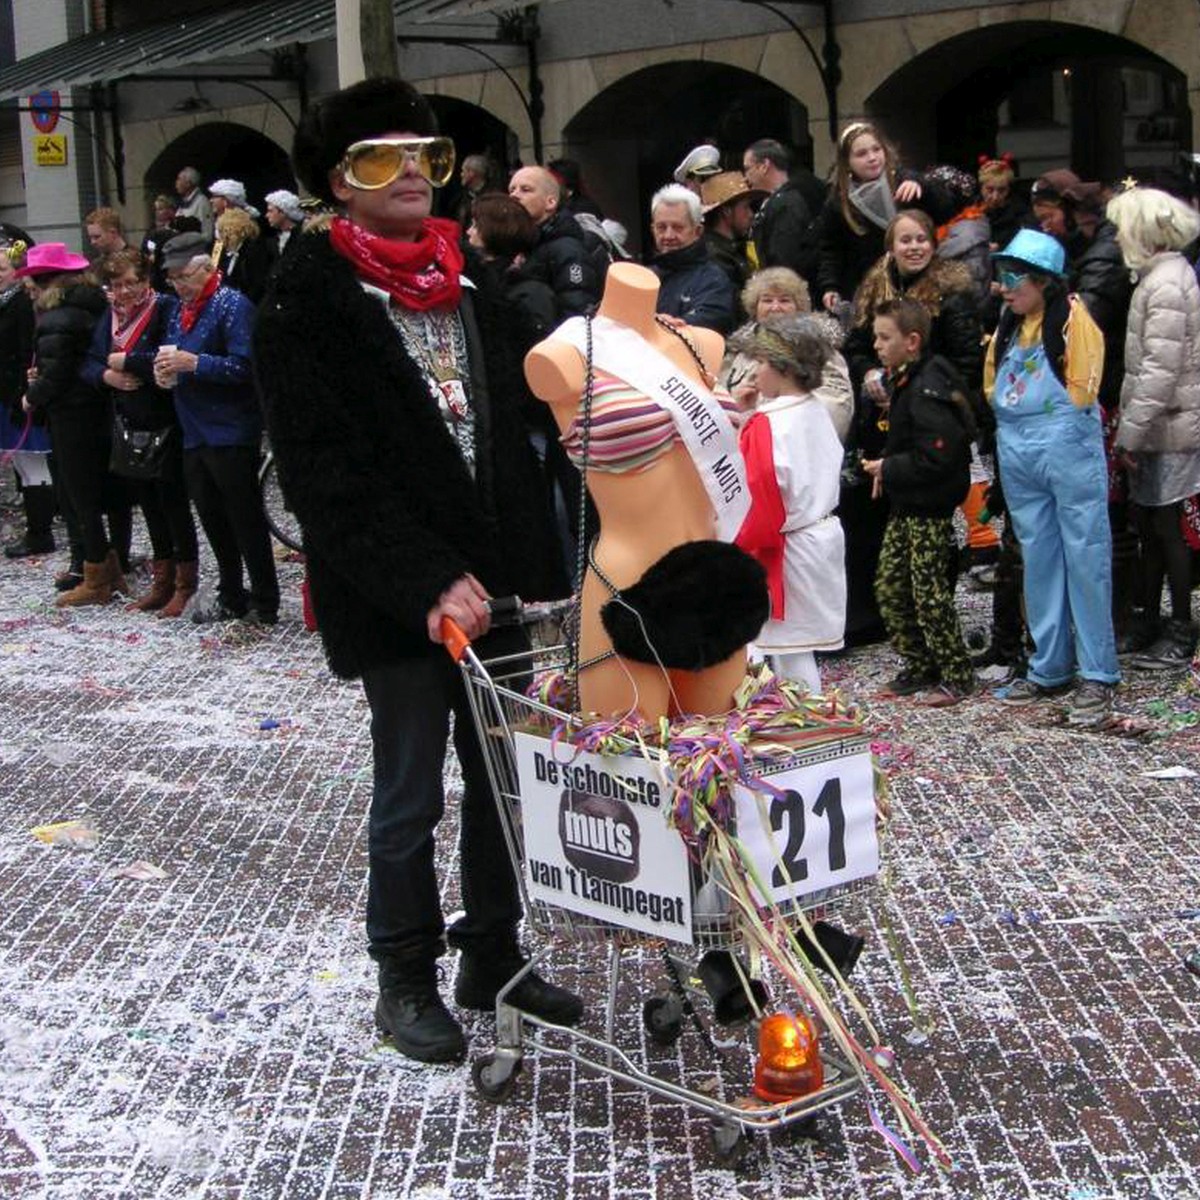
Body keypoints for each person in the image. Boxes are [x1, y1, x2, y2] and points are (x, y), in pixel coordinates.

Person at [252, 77, 581, 1064]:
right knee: (410, 795)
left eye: (424, 159)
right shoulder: (303, 297)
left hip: (500, 588)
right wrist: (427, 577)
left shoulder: (466, 279)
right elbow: (325, 477)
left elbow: (531, 411)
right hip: (398, 600)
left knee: (502, 787)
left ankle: (493, 953)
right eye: (378, 161)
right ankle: (405, 974)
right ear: (336, 184)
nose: (407, 178)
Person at [527, 260, 761, 721]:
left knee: (722, 761)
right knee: (631, 768)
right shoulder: (563, 356)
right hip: (627, 581)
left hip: (712, 579)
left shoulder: (701, 344)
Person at [985, 229, 1119, 726]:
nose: (1005, 285)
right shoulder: (1007, 325)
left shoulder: (1072, 319)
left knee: (1086, 554)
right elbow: (990, 383)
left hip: (1065, 445)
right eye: (1002, 275)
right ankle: (1049, 665)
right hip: (1019, 447)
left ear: (1044, 280)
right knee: (1038, 557)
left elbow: (1084, 388)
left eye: (1014, 275)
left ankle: (1098, 672)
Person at [843, 209, 984, 646]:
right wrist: (870, 372)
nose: (914, 246)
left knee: (925, 526)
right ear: (891, 246)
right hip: (881, 418)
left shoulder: (952, 293)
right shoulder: (873, 289)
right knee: (874, 520)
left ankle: (935, 632)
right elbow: (857, 347)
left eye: (922, 237)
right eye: (905, 239)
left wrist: (917, 387)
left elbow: (964, 363)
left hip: (927, 416)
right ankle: (879, 616)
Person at [154, 231, 279, 626]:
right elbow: (173, 352)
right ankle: (231, 591)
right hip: (194, 429)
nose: (178, 286)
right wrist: (164, 373)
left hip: (231, 429)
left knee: (244, 516)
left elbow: (247, 368)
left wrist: (196, 364)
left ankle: (264, 597)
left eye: (183, 278)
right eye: (172, 279)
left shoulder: (232, 305)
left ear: (206, 269)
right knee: (211, 515)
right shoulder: (178, 309)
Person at [861, 298, 975, 707]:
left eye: (884, 337)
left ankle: (956, 673)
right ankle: (920, 663)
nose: (876, 345)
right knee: (890, 587)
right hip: (907, 505)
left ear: (912, 341)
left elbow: (938, 455)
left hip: (928, 508)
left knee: (929, 594)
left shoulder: (928, 385)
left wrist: (887, 468)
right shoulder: (907, 378)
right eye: (875, 336)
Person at [1106, 187, 1200, 669]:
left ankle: (1179, 624)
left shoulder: (1164, 285)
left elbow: (1159, 373)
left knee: (1168, 527)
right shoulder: (1159, 278)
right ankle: (1151, 617)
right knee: (1151, 524)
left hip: (1170, 427)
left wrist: (1130, 434)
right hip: (1160, 425)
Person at [732, 317, 846, 693]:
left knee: (787, 650)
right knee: (793, 649)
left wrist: (736, 547)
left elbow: (761, 496)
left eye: (761, 362)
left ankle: (805, 728)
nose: (754, 371)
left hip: (785, 547)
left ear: (782, 368)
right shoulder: (813, 408)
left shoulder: (769, 423)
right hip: (820, 533)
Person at [82, 248, 198, 616]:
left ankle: (184, 582)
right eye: (118, 285)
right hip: (130, 423)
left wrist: (127, 361)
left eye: (132, 282)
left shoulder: (162, 309)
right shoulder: (111, 317)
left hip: (165, 419)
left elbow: (168, 355)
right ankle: (161, 582)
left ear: (146, 281)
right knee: (148, 504)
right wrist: (106, 375)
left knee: (173, 503)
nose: (125, 291)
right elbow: (89, 361)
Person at [16, 244, 118, 606]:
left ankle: (95, 573)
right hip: (91, 405)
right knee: (91, 491)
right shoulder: (90, 303)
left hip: (71, 411)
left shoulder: (60, 314)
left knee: (79, 495)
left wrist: (33, 394)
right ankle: (102, 563)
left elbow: (59, 371)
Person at [815, 121, 944, 317]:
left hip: (918, 283)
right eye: (861, 154)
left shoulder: (905, 181)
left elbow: (946, 210)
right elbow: (831, 249)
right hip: (867, 288)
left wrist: (924, 187)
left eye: (877, 149)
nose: (872, 158)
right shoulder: (838, 202)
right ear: (846, 161)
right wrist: (830, 285)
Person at [723, 267, 853, 443]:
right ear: (755, 307)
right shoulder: (738, 354)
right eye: (767, 300)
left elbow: (834, 410)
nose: (775, 307)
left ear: (799, 307)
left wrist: (761, 414)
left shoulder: (819, 351)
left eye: (784, 300)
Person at [0, 237, 48, 559]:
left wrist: (24, 394)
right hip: (6, 393)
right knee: (22, 462)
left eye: (1, 268)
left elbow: (26, 352)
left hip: (19, 394)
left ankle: (40, 533)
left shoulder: (20, 304)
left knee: (34, 463)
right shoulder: (7, 301)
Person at [508, 165, 603, 321]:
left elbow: (577, 311)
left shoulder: (567, 248)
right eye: (511, 190)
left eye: (525, 189)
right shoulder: (522, 244)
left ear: (551, 202)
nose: (515, 196)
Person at [648, 184, 736, 334]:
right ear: (652, 229)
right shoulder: (645, 277)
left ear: (697, 231)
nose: (668, 235)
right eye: (661, 227)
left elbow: (711, 321)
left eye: (678, 227)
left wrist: (669, 325)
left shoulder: (713, 280)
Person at [742, 138, 819, 283]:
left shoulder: (786, 205)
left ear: (764, 166)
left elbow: (783, 265)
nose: (745, 178)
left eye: (747, 168)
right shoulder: (774, 201)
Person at [700, 171, 758, 301]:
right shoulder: (714, 257)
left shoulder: (732, 249)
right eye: (746, 207)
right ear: (726, 211)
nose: (751, 214)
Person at [213, 207, 277, 305]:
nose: (222, 239)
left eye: (223, 233)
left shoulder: (254, 251)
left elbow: (257, 285)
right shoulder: (227, 251)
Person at [140, 195, 178, 292]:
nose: (157, 213)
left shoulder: (176, 228)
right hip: (155, 273)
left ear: (170, 210)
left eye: (160, 209)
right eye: (156, 210)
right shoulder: (151, 230)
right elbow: (144, 248)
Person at [264, 189, 305, 262]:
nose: (267, 215)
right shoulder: (272, 242)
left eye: (270, 211)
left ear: (283, 212)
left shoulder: (302, 237)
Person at [174, 167, 213, 241]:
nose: (176, 183)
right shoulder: (183, 202)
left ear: (188, 183)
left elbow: (207, 232)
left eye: (179, 179)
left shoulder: (202, 202)